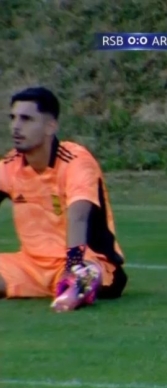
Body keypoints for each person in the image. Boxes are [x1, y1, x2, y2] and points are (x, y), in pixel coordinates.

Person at [0, 87, 126, 312]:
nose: (16, 126)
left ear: (51, 126)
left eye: (26, 119)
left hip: (87, 260)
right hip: (30, 266)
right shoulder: (10, 165)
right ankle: (70, 290)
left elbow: (79, 216)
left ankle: (75, 286)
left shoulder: (75, 160)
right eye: (13, 118)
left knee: (87, 272)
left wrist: (72, 266)